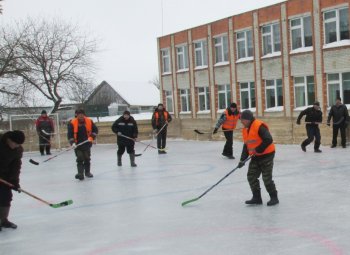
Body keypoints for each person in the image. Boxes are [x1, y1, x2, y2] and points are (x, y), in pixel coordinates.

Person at [237, 110, 279, 206]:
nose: (241, 122)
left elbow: (268, 139)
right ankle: (257, 198)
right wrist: (242, 160)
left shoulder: (259, 126)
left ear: (247, 119)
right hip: (256, 156)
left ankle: (274, 197)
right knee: (251, 176)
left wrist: (258, 149)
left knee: (266, 178)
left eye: (242, 120)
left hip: (267, 154)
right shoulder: (245, 129)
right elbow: (246, 146)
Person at [0, 130, 25, 229]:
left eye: (19, 144)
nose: (17, 146)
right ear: (9, 140)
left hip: (4, 175)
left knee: (6, 197)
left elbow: (16, 166)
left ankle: (4, 220)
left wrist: (14, 182)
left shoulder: (18, 150)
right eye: (15, 143)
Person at [67, 109, 98, 180]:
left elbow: (95, 130)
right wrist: (72, 143)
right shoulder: (72, 123)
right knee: (80, 158)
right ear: (76, 115)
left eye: (82, 114)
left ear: (84, 115)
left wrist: (92, 137)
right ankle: (80, 173)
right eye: (79, 114)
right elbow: (70, 134)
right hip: (77, 145)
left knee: (87, 158)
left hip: (87, 143)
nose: (81, 116)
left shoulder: (89, 121)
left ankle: (87, 172)